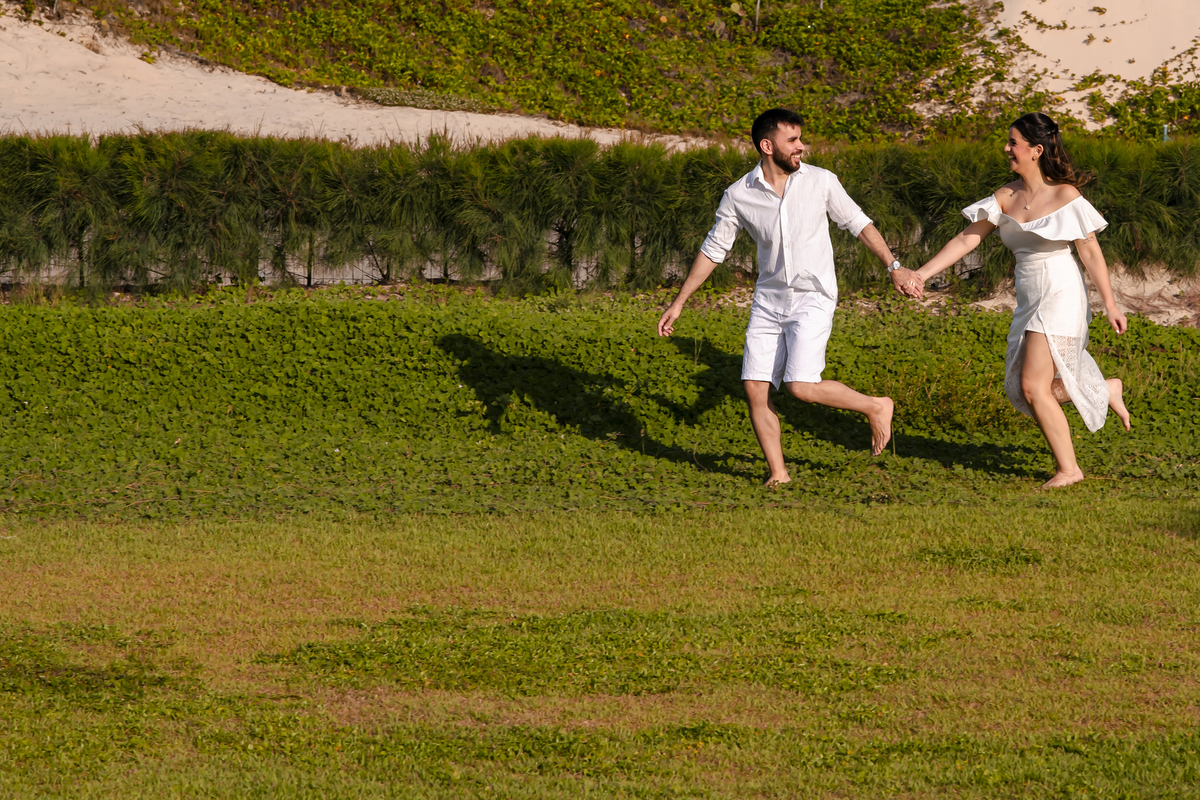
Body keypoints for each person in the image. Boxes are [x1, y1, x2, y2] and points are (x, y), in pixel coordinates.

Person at [657, 108, 922, 485]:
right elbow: (714, 249)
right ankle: (778, 474)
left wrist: (894, 266)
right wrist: (679, 301)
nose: (801, 147)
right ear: (767, 146)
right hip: (768, 299)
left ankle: (876, 405)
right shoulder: (738, 194)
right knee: (754, 388)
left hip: (813, 296)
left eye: (800, 139)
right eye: (792, 141)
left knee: (801, 386)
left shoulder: (821, 181)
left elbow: (858, 223)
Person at [906, 111, 1131, 488]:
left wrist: (1109, 303)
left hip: (1061, 291)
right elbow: (967, 238)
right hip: (1029, 295)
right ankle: (1102, 388)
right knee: (1023, 390)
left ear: (1036, 150)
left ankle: (1069, 470)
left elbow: (1090, 252)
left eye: (1013, 142)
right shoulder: (1005, 195)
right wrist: (922, 274)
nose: (1006, 148)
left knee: (1032, 386)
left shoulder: (1066, 195)